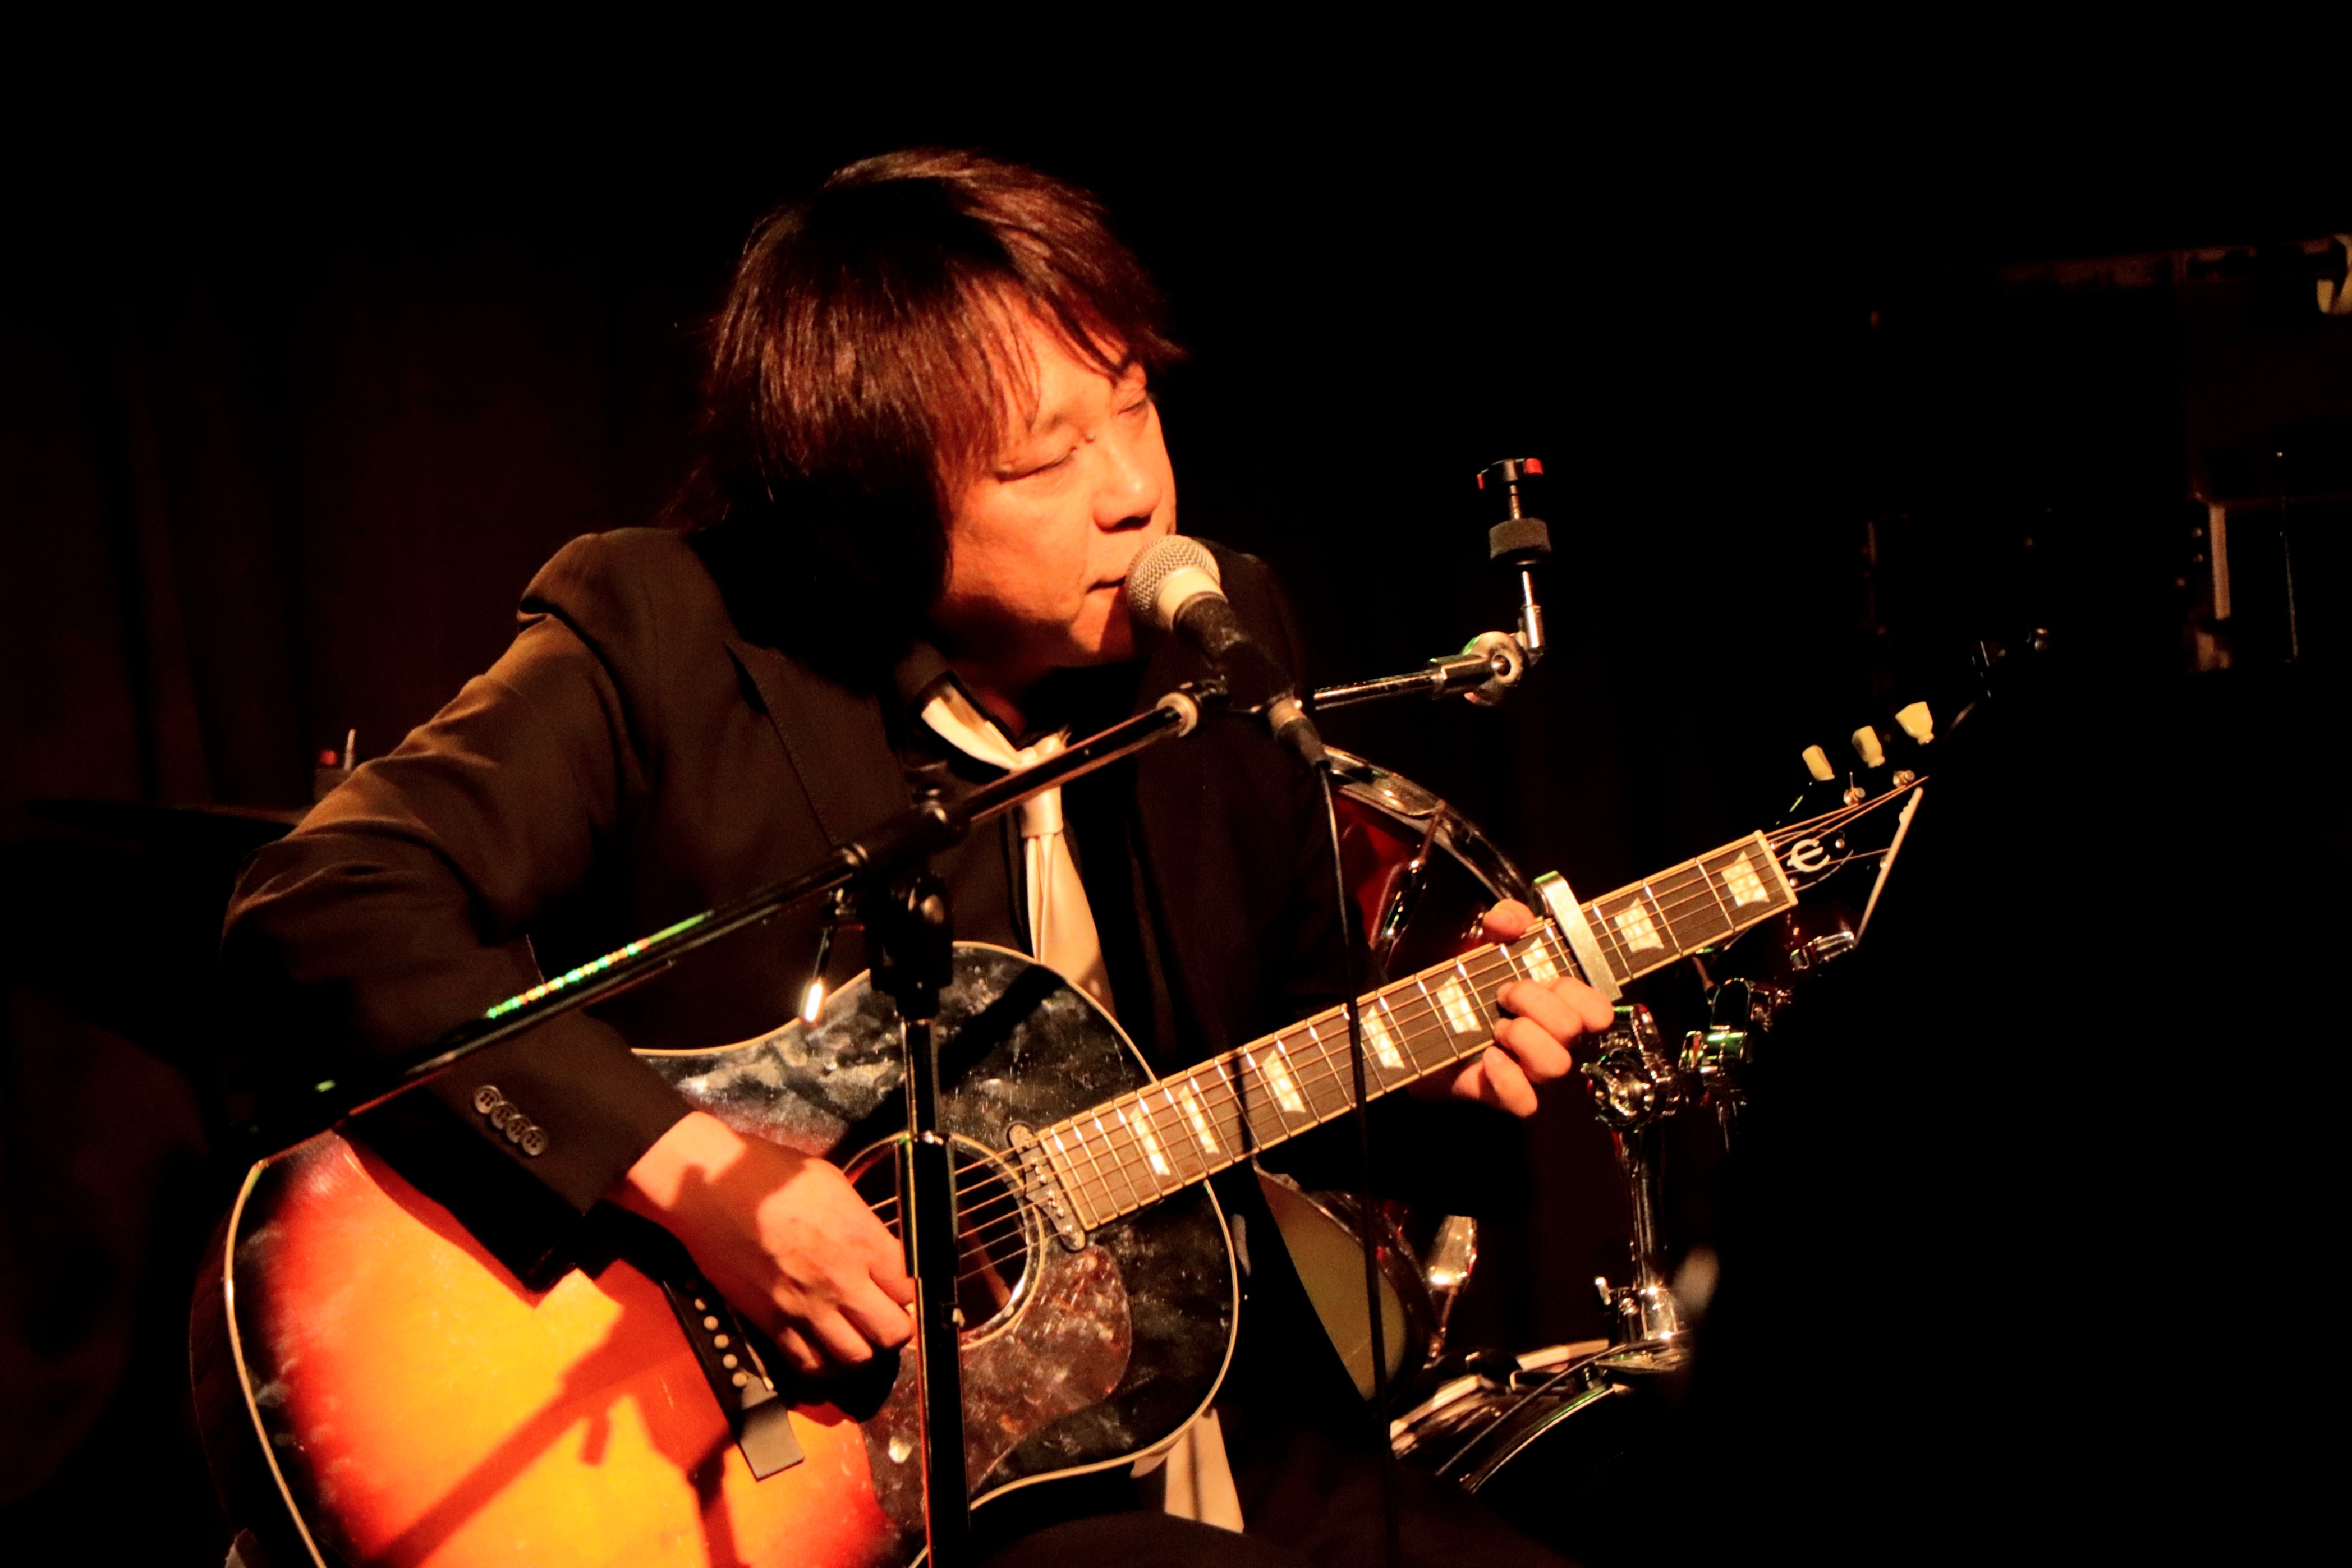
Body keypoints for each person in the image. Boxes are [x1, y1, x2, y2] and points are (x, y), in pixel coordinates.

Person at [223, 148, 1611, 1567]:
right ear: (869, 503)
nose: (1131, 493)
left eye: (1131, 404)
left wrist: (1429, 1059)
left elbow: (1281, 1049)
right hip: (794, 1472)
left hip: (1191, 1423)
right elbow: (325, 906)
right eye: (1042, 458)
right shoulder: (670, 632)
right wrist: (695, 1175)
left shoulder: (1216, 638)